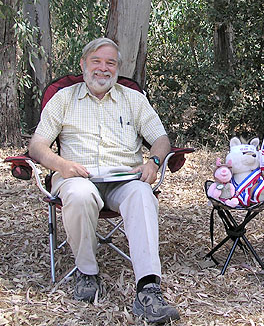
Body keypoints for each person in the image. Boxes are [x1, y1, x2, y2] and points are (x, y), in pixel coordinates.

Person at [28, 38, 180, 324]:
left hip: (124, 179)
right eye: (96, 61)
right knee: (81, 194)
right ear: (84, 65)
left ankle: (148, 289)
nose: (103, 68)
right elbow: (37, 146)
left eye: (110, 62)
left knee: (142, 194)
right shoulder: (63, 98)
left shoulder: (133, 99)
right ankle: (86, 273)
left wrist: (154, 161)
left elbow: (160, 139)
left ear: (117, 68)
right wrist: (62, 165)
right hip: (77, 176)